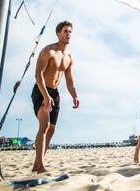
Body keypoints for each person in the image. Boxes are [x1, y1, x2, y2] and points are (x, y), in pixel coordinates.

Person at [31, 20, 80, 173]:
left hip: (55, 93)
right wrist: (45, 96)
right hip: (41, 90)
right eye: (65, 31)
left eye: (70, 31)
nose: (68, 34)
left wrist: (75, 96)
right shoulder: (49, 51)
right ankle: (41, 167)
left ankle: (37, 164)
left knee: (51, 129)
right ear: (58, 33)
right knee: (44, 126)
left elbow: (70, 79)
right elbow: (38, 75)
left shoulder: (69, 56)